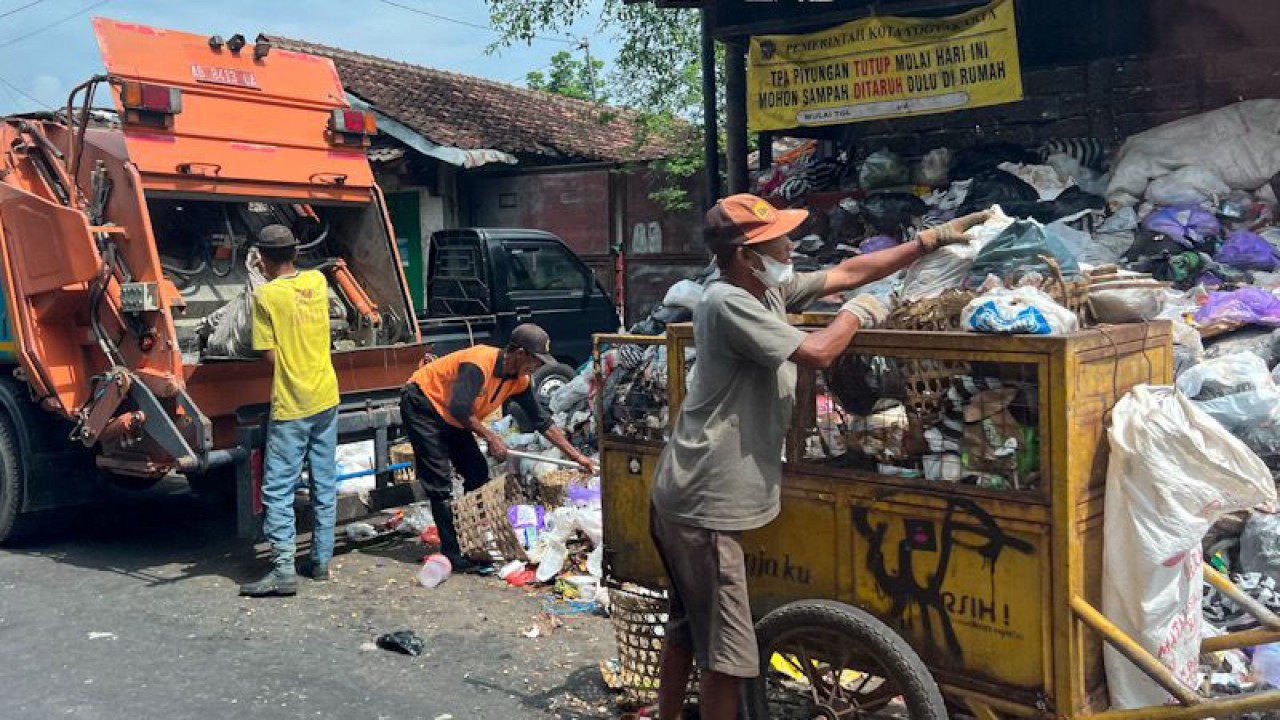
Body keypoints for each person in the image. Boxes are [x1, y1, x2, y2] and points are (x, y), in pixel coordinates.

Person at [648, 194, 990, 719]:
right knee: (729, 657)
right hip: (706, 502)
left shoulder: (764, 289)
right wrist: (857, 314)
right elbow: (817, 352)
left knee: (691, 628)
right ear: (746, 255)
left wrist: (926, 243)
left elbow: (848, 272)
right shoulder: (728, 302)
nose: (790, 246)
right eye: (778, 240)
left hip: (686, 492)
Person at [401, 324, 596, 573]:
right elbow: (459, 408)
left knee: (477, 473)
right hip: (424, 404)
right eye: (535, 361)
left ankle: (471, 539)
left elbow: (541, 421)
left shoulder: (519, 381)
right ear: (519, 353)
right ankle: (452, 552)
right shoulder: (479, 363)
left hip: (454, 416)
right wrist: (491, 437)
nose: (536, 367)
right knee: (439, 481)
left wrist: (577, 457)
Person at [240, 224, 341, 598]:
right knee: (323, 481)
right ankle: (320, 561)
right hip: (326, 395)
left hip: (293, 402)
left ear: (262, 259)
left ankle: (283, 570)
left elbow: (267, 354)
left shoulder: (265, 296)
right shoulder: (317, 282)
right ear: (296, 253)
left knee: (278, 488)